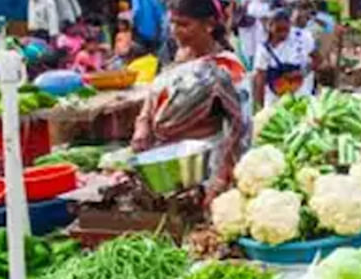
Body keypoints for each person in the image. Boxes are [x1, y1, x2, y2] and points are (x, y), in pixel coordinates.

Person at [132, 0, 247, 196]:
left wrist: (221, 178)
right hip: (164, 160)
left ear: (209, 25)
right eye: (173, 23)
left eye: (184, 24)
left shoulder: (226, 66)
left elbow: (241, 126)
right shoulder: (175, 54)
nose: (176, 31)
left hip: (204, 164)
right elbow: (154, 92)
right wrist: (142, 125)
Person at [252, 7, 316, 108]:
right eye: (278, 30)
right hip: (275, 100)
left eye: (286, 29)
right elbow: (260, 78)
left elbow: (318, 59)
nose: (283, 34)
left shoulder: (302, 37)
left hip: (301, 97)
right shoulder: (263, 48)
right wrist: (260, 107)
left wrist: (302, 72)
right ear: (270, 26)